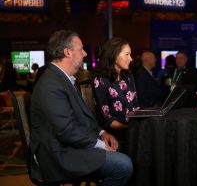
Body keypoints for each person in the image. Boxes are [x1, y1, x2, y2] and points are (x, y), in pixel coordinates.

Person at [30, 30, 133, 185]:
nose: (85, 53)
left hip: (69, 147)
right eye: (81, 49)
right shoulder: (51, 84)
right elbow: (66, 130)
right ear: (68, 52)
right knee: (124, 165)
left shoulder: (63, 78)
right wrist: (100, 145)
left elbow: (82, 117)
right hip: (60, 156)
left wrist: (102, 132)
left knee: (128, 150)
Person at [92, 37, 139, 140]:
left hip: (132, 130)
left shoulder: (128, 76)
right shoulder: (100, 81)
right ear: (114, 56)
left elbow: (136, 105)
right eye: (127, 54)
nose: (131, 59)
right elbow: (106, 119)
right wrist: (129, 129)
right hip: (115, 135)